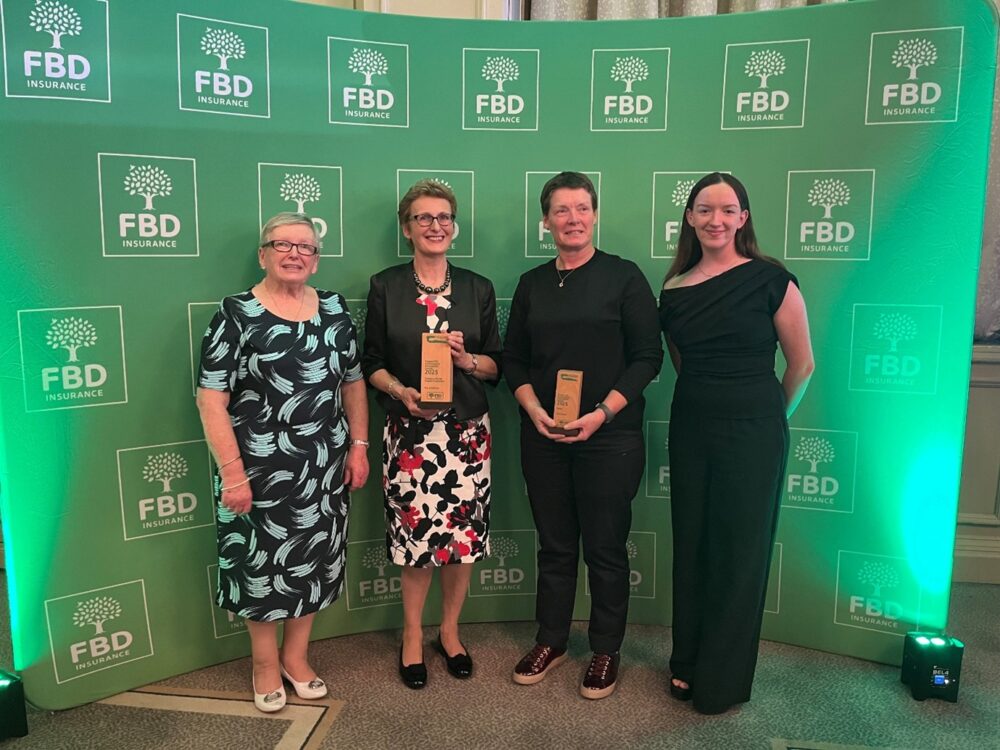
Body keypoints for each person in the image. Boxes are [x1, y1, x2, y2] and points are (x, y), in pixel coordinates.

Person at [196, 212, 369, 713]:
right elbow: (211, 399)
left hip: (324, 465)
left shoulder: (335, 310)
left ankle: (297, 658)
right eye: (283, 245)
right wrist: (231, 472)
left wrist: (358, 446)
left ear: (316, 260)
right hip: (255, 471)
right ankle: (265, 664)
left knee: (314, 562)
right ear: (263, 254)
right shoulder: (235, 315)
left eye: (305, 247)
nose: (295, 254)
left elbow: (353, 381)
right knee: (260, 568)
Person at [658, 172, 814, 715]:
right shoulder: (673, 291)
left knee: (739, 552)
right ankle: (687, 662)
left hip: (755, 432)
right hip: (693, 427)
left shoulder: (772, 280)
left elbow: (801, 365)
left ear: (743, 218)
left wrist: (770, 420)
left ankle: (721, 679)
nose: (716, 219)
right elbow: (684, 365)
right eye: (705, 209)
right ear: (690, 218)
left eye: (728, 210)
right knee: (693, 544)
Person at [503, 171, 663, 699]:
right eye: (561, 210)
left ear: (594, 214)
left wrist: (601, 412)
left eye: (582, 208)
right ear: (545, 220)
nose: (573, 219)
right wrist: (532, 411)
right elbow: (516, 360)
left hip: (608, 437)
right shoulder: (532, 284)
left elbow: (647, 358)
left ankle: (604, 648)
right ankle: (551, 639)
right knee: (554, 546)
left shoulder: (624, 277)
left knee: (605, 547)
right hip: (543, 433)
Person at [362, 179, 502, 689]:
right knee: (417, 541)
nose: (435, 225)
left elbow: (496, 366)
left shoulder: (477, 288)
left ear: (454, 226)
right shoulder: (385, 286)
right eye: (424, 218)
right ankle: (412, 635)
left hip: (466, 434)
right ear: (407, 228)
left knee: (461, 540)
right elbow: (370, 362)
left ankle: (449, 632)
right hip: (410, 434)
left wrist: (468, 360)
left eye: (444, 217)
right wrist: (401, 392)